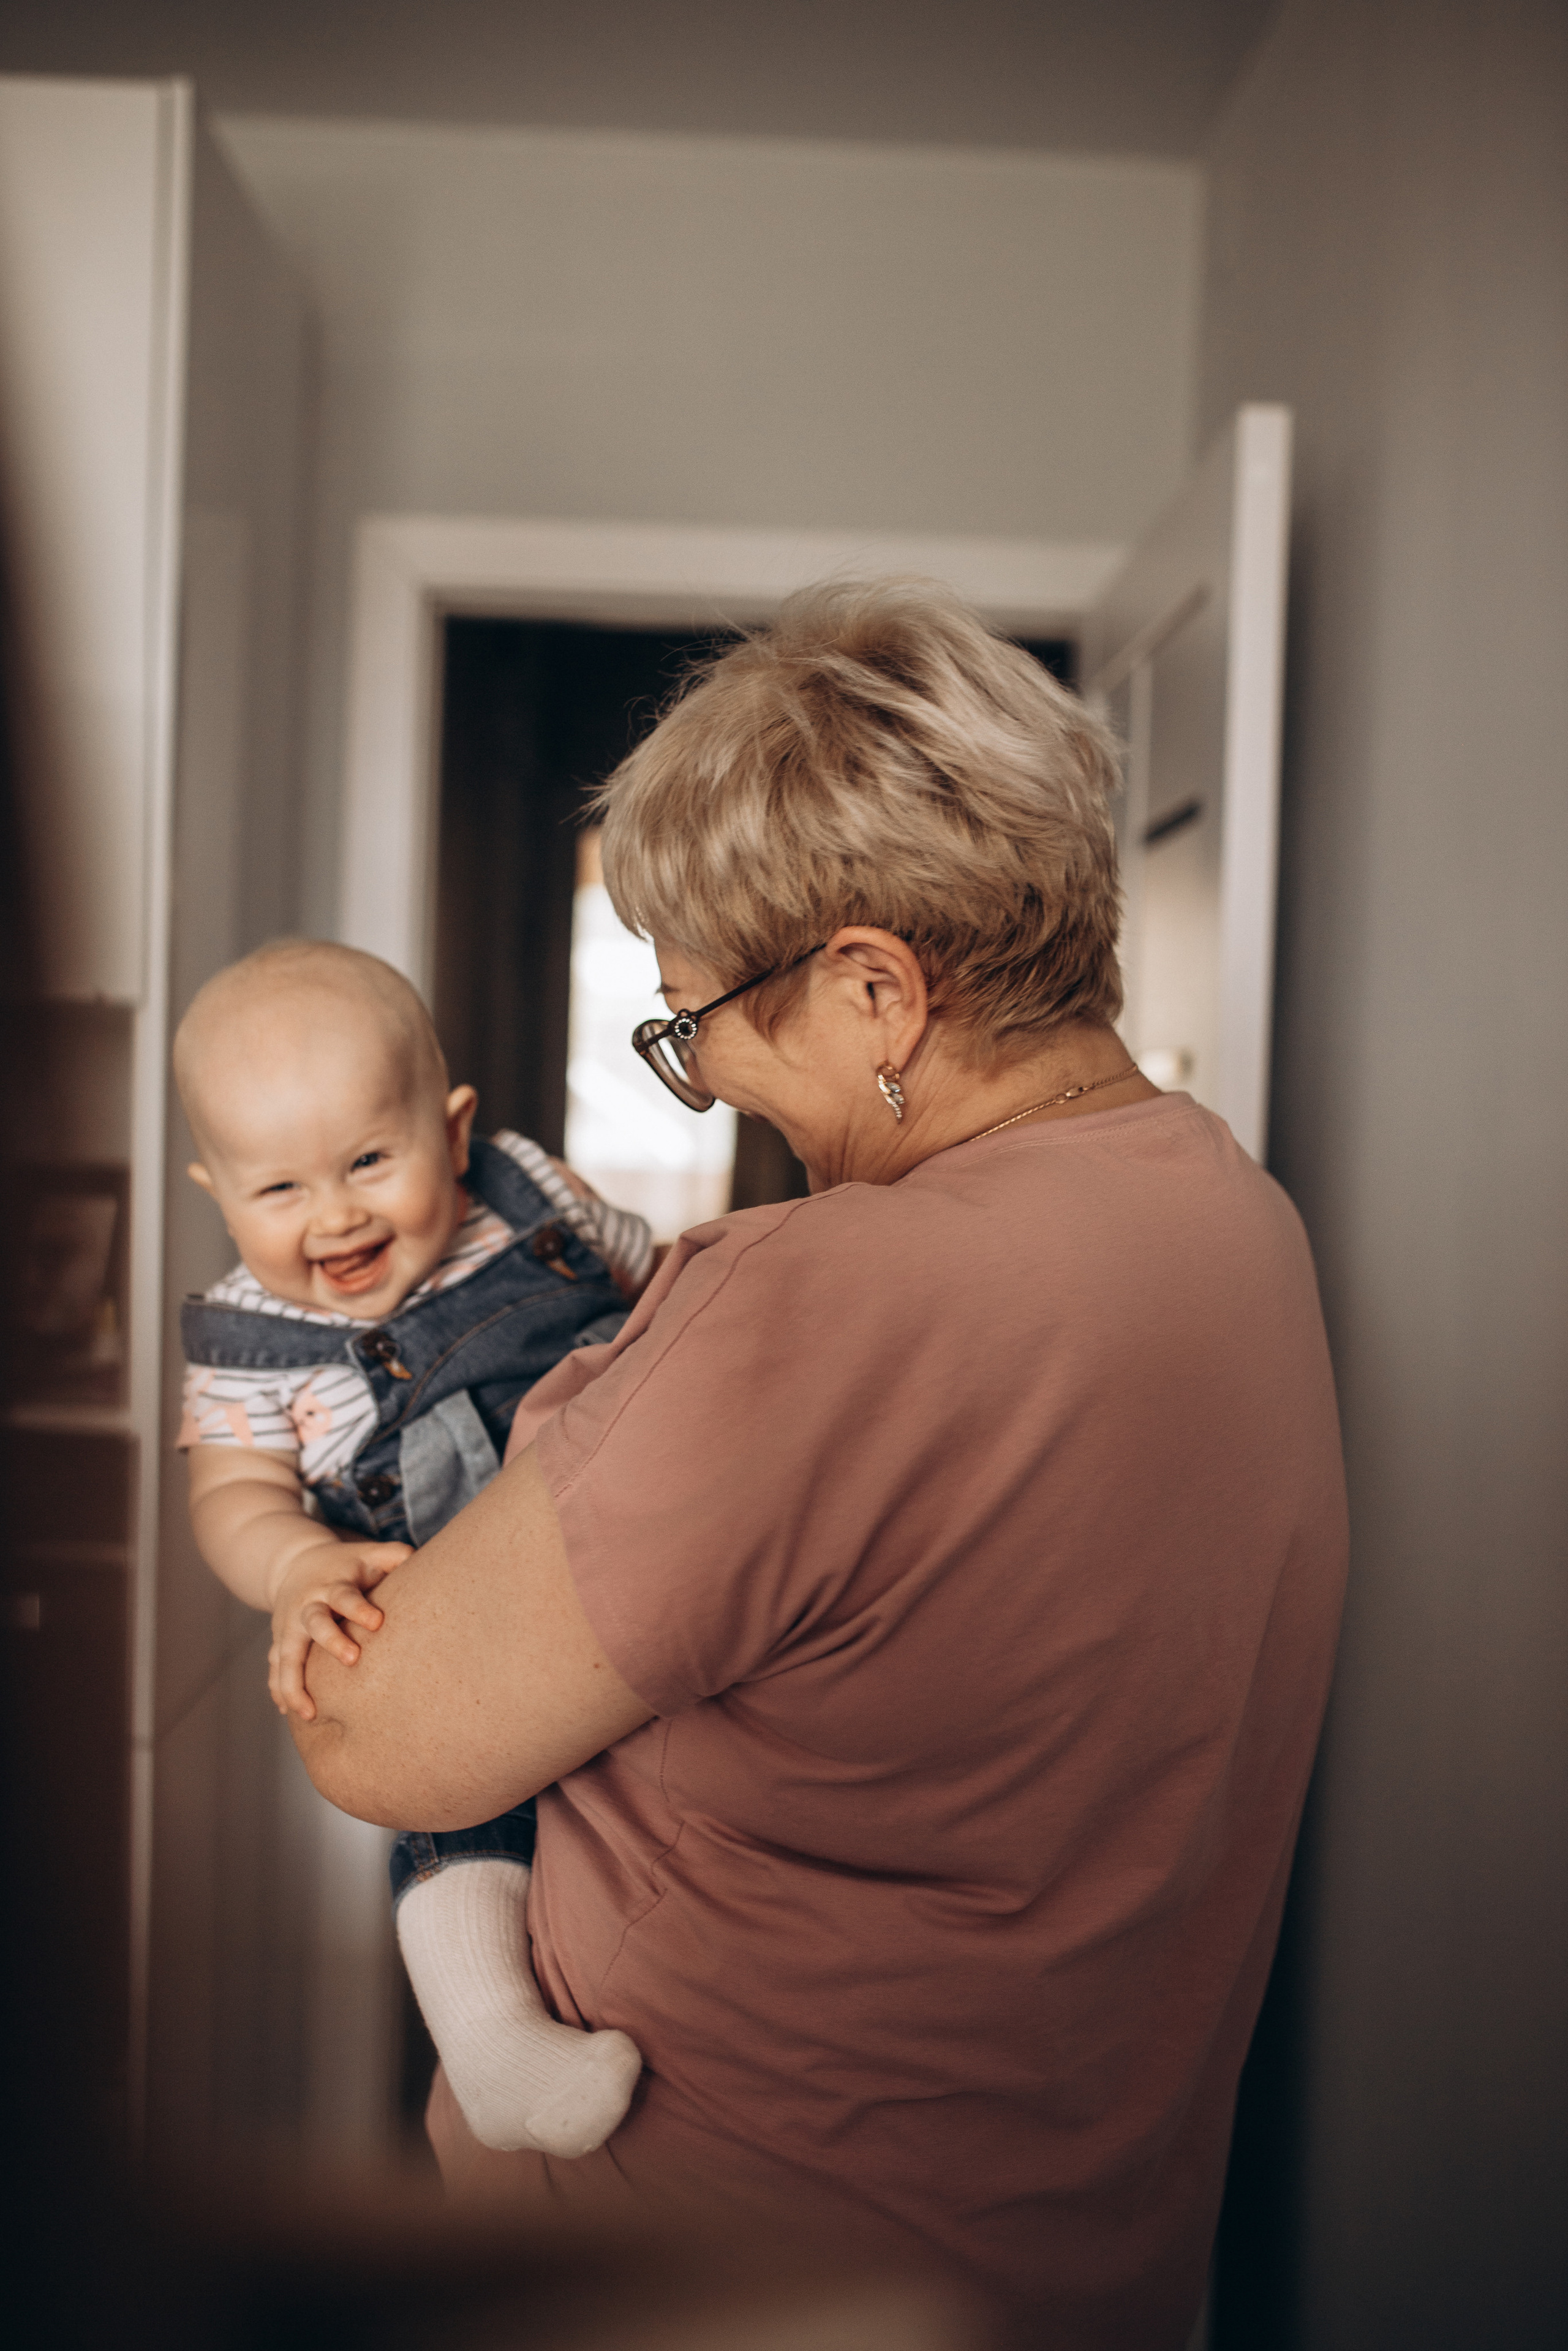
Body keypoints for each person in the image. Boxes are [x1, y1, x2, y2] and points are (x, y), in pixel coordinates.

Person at [287, 583, 1348, 2349]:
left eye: (700, 1022)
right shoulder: (1242, 1224)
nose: (708, 1089)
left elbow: (383, 1731)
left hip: (705, 2277)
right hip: (1090, 2273)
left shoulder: (811, 1303)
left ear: (875, 989)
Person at [175, 939, 647, 2156]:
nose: (333, 1214)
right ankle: (488, 2038)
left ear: (454, 1129)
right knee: (456, 1803)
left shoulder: (533, 1194)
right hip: (453, 1630)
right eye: (277, 1190)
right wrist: (290, 1562)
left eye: (369, 1161)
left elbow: (661, 1291)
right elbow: (229, 1492)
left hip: (631, 1553)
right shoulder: (248, 1341)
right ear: (215, 1189)